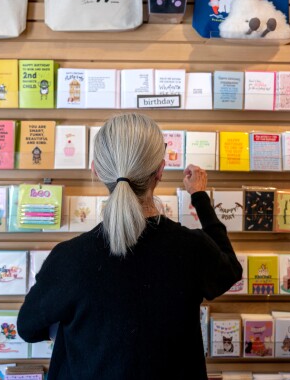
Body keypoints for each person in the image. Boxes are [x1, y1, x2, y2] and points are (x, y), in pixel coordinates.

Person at [18, 113, 242, 379]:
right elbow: (230, 270)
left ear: (96, 170)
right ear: (160, 170)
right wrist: (199, 197)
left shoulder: (69, 258)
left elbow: (28, 328)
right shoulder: (191, 248)